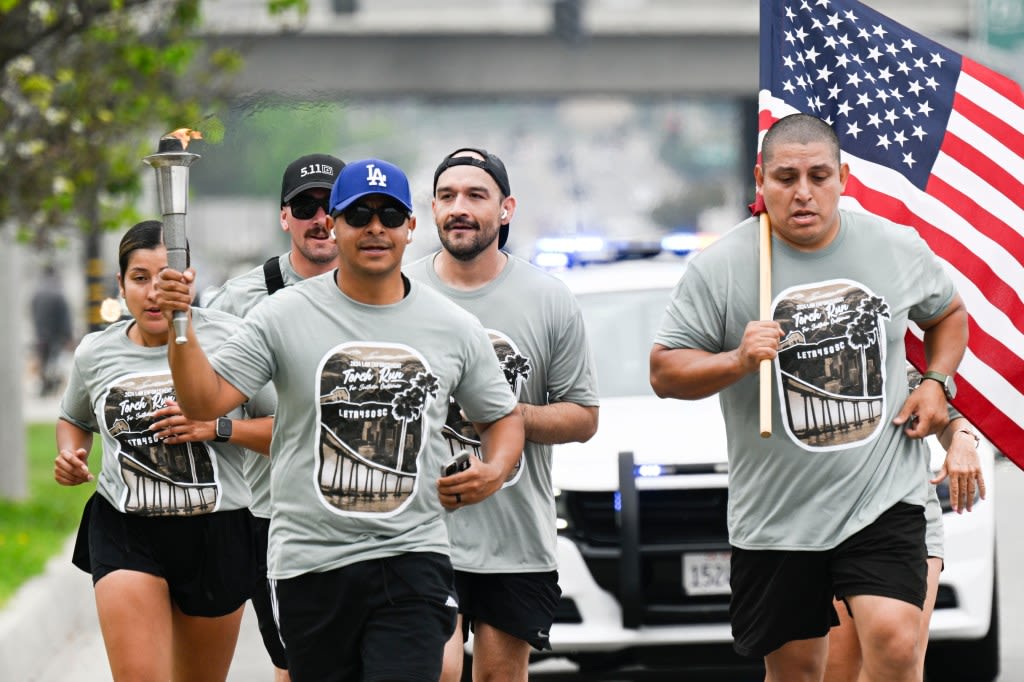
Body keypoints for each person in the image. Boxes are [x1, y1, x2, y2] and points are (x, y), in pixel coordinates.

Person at [153, 158, 526, 682]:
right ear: (335, 225)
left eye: (390, 215)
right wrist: (181, 327)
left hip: (412, 555)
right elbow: (201, 403)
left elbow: (501, 417)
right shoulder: (281, 316)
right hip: (311, 563)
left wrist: (496, 468)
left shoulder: (453, 326)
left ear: (410, 227)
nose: (376, 228)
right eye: (359, 215)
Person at [648, 113, 969, 682]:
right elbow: (665, 371)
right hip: (778, 516)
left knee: (895, 642)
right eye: (785, 177)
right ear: (759, 181)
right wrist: (737, 359)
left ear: (843, 177)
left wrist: (935, 381)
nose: (802, 192)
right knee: (796, 672)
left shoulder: (893, 247)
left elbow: (947, 314)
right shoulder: (721, 267)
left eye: (819, 176)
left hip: (882, 498)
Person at [405, 147, 600, 682]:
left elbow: (583, 417)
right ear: (432, 210)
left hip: (515, 538)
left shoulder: (548, 298)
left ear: (506, 208)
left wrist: (505, 416)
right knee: (436, 671)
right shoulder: (401, 290)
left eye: (475, 195)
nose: (459, 207)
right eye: (447, 196)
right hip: (420, 532)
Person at [53, 220, 275, 682]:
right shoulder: (96, 352)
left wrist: (216, 426)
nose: (154, 292)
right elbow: (74, 419)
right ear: (121, 284)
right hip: (126, 526)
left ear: (188, 278)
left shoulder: (236, 339)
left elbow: (287, 431)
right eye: (139, 278)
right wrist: (72, 455)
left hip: (217, 530)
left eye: (166, 277)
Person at [203, 152, 344, 682]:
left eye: (332, 204)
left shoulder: (386, 292)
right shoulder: (237, 303)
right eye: (304, 206)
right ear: (283, 217)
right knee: (297, 665)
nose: (320, 218)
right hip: (273, 514)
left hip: (372, 514)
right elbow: (200, 409)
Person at [825, 367, 986, 682]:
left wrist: (963, 440)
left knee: (902, 662)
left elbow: (948, 410)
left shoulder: (911, 331)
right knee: (836, 670)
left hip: (906, 511)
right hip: (828, 516)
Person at [31, 263, 73, 396]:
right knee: (54, 361)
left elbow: (33, 312)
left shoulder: (37, 292)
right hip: (56, 334)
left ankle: (45, 385)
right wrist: (68, 335)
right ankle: (51, 385)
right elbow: (64, 315)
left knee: (44, 360)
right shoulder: (57, 291)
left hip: (41, 333)